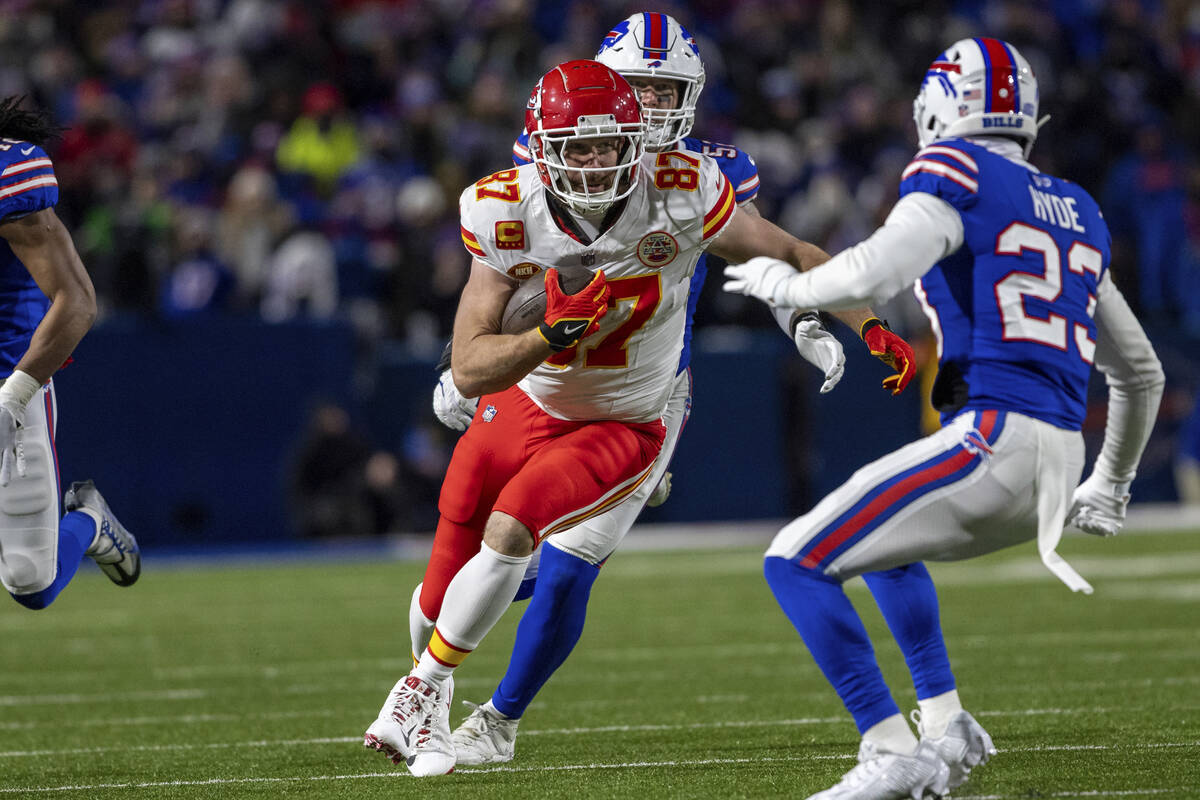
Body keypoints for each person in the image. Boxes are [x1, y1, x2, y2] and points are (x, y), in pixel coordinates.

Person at [364, 58, 916, 777]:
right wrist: (545, 338)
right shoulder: (502, 205)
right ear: (540, 146)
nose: (595, 164)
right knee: (442, 586)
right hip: (529, 398)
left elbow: (791, 254)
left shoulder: (685, 191)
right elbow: (470, 364)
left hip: (624, 417)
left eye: (610, 144)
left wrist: (865, 322)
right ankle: (431, 692)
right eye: (577, 148)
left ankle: (425, 693)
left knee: (518, 532)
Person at [724, 38, 1165, 799]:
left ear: (938, 107)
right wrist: (1111, 485)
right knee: (886, 548)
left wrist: (785, 286)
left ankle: (891, 749)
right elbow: (1141, 372)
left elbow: (875, 270)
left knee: (794, 558)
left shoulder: (953, 171)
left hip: (995, 442)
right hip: (1057, 456)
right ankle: (945, 721)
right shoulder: (1078, 207)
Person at [0, 97, 140, 610]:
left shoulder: (9, 174)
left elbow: (77, 301)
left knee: (31, 584)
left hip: (10, 382)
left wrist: (12, 398)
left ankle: (91, 521)